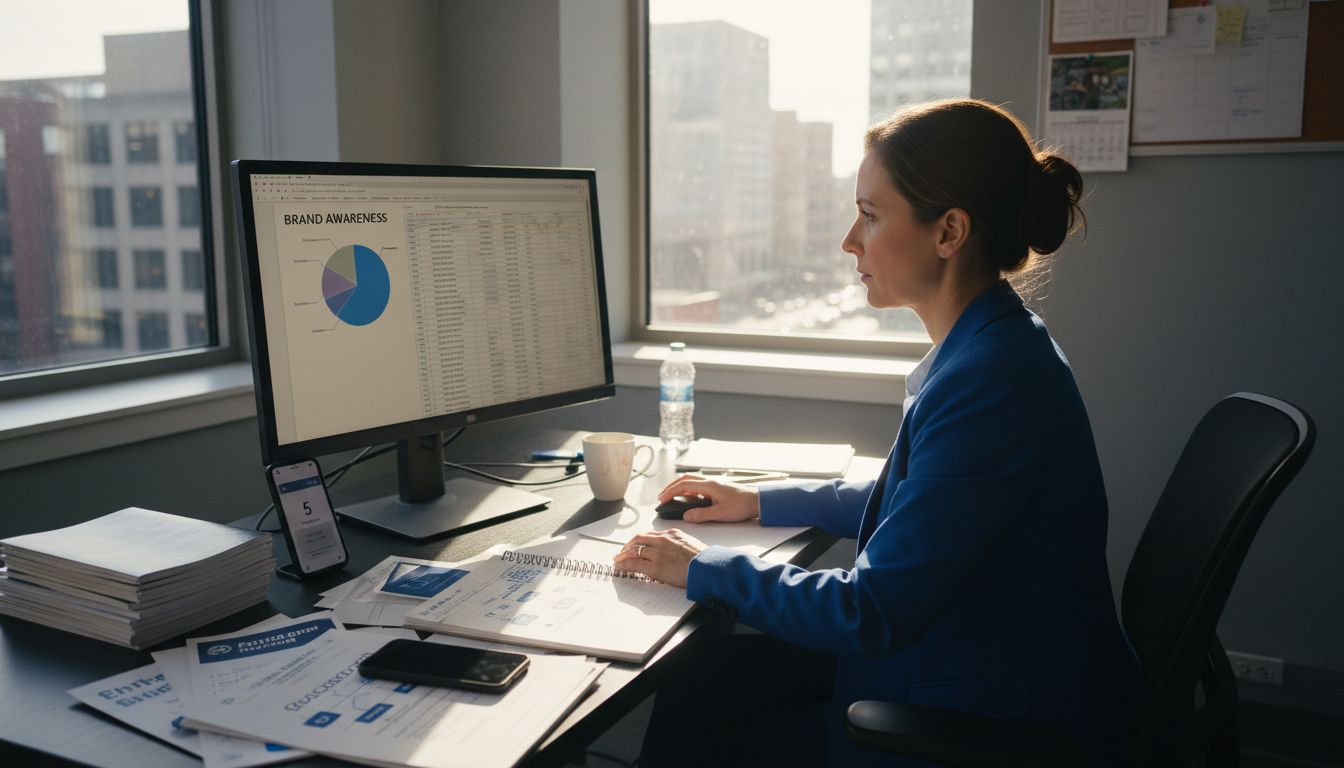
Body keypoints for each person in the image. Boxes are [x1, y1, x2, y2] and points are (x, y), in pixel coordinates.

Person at [614, 99, 1139, 767]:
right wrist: (763, 499)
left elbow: (870, 611)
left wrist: (701, 569)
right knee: (702, 678)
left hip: (978, 711)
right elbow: (913, 499)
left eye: (869, 215)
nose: (849, 241)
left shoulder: (990, 384)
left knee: (701, 711)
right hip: (968, 658)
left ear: (948, 232)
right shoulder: (993, 346)